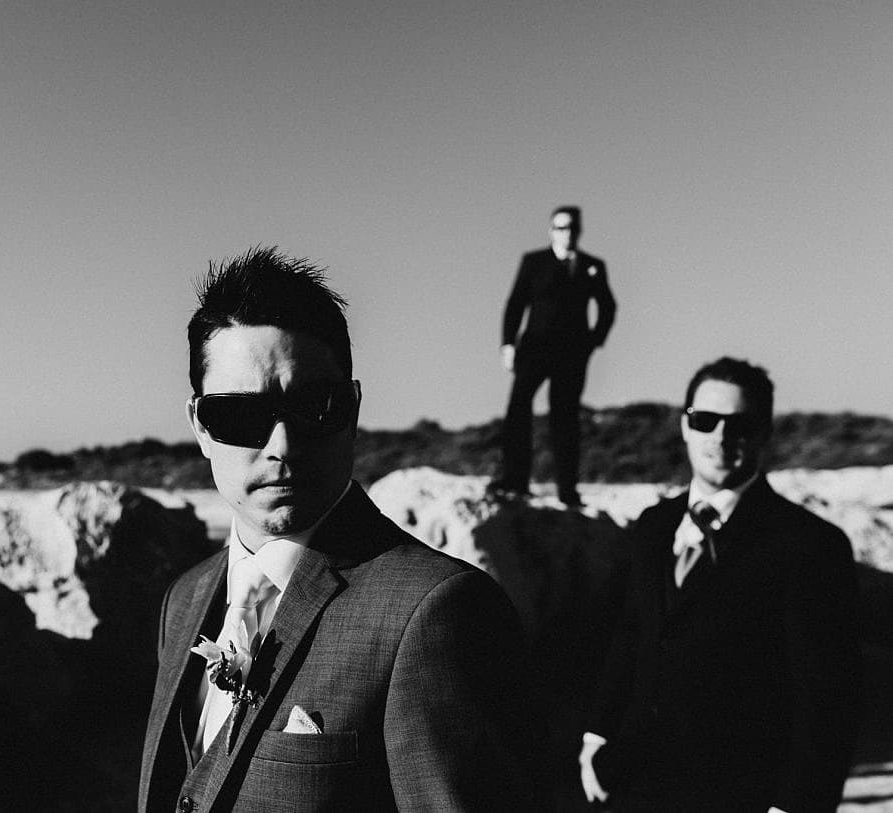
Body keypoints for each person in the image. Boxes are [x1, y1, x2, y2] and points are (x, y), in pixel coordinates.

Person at [138, 247, 540, 812]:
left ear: (351, 409)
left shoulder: (440, 612)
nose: (281, 446)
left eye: (314, 406)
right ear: (200, 425)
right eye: (240, 415)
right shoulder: (183, 601)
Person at [579, 357, 859, 812]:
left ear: (764, 432)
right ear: (684, 426)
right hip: (631, 787)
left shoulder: (810, 546)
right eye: (705, 420)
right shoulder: (652, 527)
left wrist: (796, 805)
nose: (721, 436)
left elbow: (829, 698)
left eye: (740, 424)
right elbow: (630, 636)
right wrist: (596, 737)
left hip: (742, 795)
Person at [493, 206, 616, 507]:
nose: (567, 233)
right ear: (551, 231)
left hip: (572, 354)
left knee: (565, 418)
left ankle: (567, 490)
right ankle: (515, 480)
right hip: (534, 348)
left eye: (571, 227)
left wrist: (593, 341)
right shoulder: (533, 262)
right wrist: (507, 344)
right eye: (560, 228)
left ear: (579, 230)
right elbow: (515, 303)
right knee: (518, 408)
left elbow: (608, 306)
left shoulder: (593, 266)